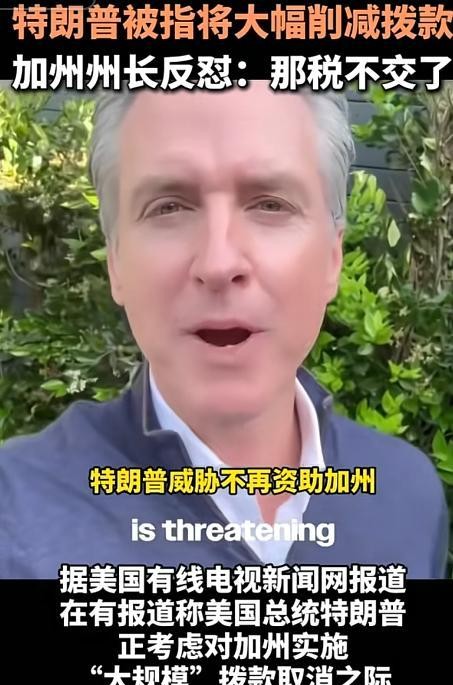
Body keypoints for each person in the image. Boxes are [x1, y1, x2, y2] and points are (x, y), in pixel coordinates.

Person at [0, 82, 448, 579]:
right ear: (117, 263)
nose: (219, 262)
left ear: (332, 257)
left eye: (270, 204)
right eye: (168, 207)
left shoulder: (406, 496)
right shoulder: (16, 519)